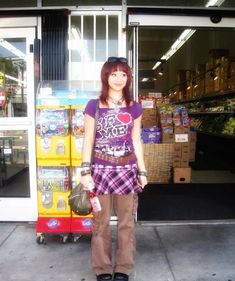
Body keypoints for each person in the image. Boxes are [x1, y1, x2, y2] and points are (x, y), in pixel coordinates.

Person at [80, 56, 148, 281]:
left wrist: (143, 171)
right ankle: (102, 268)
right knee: (100, 222)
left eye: (123, 74)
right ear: (106, 76)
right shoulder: (94, 105)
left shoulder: (135, 107)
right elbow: (88, 140)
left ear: (128, 78)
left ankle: (124, 267)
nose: (118, 78)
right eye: (114, 73)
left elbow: (136, 140)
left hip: (127, 171)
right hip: (100, 170)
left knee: (126, 222)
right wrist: (85, 171)